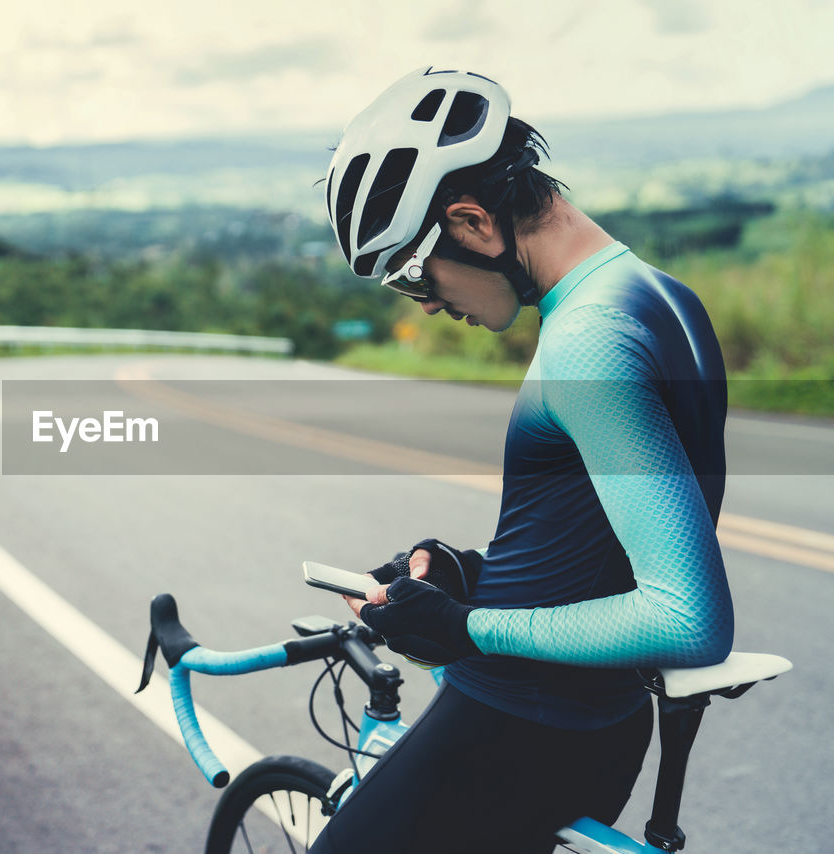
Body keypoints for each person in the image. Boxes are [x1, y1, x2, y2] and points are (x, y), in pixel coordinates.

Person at [310, 66, 734, 853]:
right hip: (593, 725)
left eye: (413, 275)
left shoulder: (588, 343)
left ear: (472, 222)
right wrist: (467, 575)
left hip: (517, 729)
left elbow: (686, 618)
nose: (428, 303)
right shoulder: (658, 295)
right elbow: (604, 542)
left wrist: (467, 627)